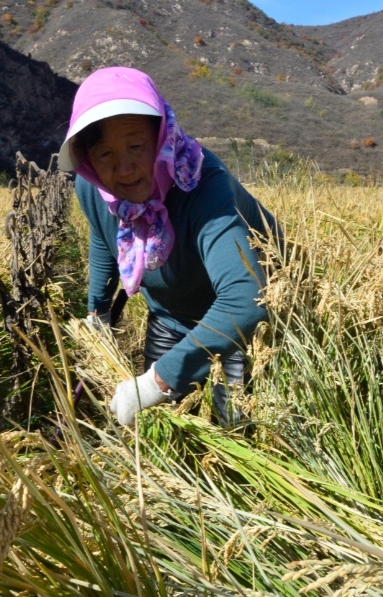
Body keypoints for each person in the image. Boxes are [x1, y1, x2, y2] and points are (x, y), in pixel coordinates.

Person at [57, 66, 280, 428]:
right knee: (167, 424)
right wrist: (97, 313)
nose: (124, 169)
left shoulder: (205, 186)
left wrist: (156, 381)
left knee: (236, 427)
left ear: (162, 138)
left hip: (237, 326)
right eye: (105, 155)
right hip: (171, 315)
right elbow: (103, 236)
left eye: (136, 146)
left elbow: (247, 298)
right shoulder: (93, 187)